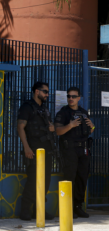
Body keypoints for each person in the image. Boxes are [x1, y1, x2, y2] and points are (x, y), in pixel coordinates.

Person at [17, 82, 56, 221]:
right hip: (33, 150)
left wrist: (52, 127)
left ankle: (39, 210)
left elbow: (49, 125)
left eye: (47, 92)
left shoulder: (44, 108)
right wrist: (26, 148)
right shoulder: (27, 107)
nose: (47, 94)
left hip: (47, 150)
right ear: (36, 92)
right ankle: (25, 210)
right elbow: (20, 127)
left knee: (45, 182)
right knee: (33, 181)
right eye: (45, 92)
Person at [55, 87, 94, 218]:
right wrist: (70, 125)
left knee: (82, 178)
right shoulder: (63, 112)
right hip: (69, 149)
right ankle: (67, 207)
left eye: (73, 96)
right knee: (69, 178)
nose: (70, 99)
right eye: (68, 96)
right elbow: (58, 131)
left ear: (79, 98)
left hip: (83, 149)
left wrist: (92, 126)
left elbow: (90, 130)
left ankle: (78, 206)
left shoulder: (83, 112)